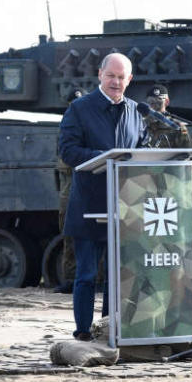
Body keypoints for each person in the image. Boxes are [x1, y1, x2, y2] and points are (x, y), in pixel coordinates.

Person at [58, 53, 149, 341]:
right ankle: (83, 332)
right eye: (111, 76)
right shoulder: (79, 109)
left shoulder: (136, 111)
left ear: (130, 80)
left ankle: (109, 330)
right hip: (89, 205)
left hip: (124, 207)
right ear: (100, 74)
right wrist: (104, 158)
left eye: (122, 77)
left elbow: (142, 151)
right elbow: (68, 151)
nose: (116, 82)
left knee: (117, 278)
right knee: (86, 275)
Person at [52, 88, 84, 294]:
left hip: (85, 188)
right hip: (68, 190)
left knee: (92, 237)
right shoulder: (65, 130)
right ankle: (70, 278)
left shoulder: (91, 129)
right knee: (68, 235)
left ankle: (97, 278)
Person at [144, 84, 191, 149]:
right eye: (151, 102)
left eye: (158, 102)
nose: (154, 106)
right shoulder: (141, 125)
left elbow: (185, 153)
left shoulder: (177, 127)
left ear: (167, 102)